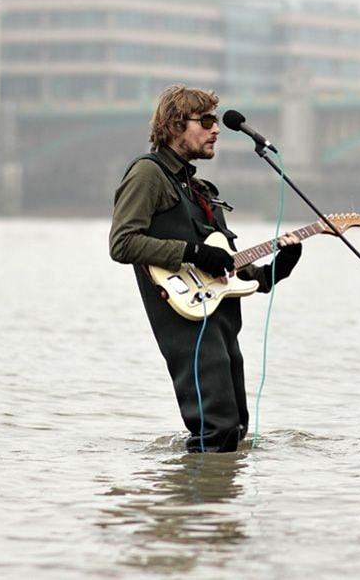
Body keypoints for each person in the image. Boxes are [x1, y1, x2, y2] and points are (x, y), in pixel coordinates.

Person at [109, 84, 302, 452]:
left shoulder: (201, 189)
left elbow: (234, 272)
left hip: (223, 321)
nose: (217, 129)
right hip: (188, 322)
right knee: (217, 431)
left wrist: (281, 265)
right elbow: (122, 243)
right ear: (175, 125)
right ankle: (193, 508)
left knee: (235, 431)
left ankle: (218, 509)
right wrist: (193, 252)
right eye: (207, 121)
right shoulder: (148, 175)